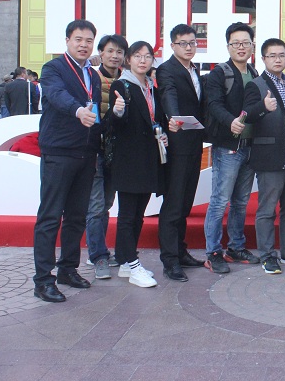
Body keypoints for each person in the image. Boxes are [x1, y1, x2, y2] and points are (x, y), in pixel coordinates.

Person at [32, 20, 102, 303]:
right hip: (59, 152)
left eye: (88, 40)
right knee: (50, 217)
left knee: (76, 216)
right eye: (78, 39)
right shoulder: (53, 69)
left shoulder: (93, 75)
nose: (84, 45)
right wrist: (77, 111)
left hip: (86, 153)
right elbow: (56, 95)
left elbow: (97, 112)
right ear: (67, 41)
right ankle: (42, 280)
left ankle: (68, 269)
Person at [202, 22, 261, 274]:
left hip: (249, 147)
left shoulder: (255, 73)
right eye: (236, 43)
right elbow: (213, 104)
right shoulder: (220, 73)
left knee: (240, 202)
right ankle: (213, 252)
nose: (241, 47)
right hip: (228, 148)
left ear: (252, 46)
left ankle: (236, 247)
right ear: (228, 46)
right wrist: (230, 122)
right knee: (219, 201)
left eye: (245, 42)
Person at [107, 41, 167, 288]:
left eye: (147, 56)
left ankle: (125, 261)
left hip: (148, 159)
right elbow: (114, 124)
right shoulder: (122, 86)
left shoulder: (151, 87)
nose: (143, 61)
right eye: (138, 56)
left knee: (138, 215)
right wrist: (118, 111)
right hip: (128, 160)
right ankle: (132, 265)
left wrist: (162, 133)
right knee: (127, 215)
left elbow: (156, 119)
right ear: (129, 59)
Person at [243, 38, 285, 274]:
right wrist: (263, 107)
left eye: (281, 55)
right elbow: (247, 115)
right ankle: (267, 255)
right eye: (272, 56)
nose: (278, 59)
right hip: (270, 158)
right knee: (267, 210)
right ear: (263, 59)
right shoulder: (255, 85)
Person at [157, 24, 206, 282]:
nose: (189, 47)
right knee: (174, 204)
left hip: (194, 145)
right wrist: (173, 116)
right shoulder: (167, 69)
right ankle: (170, 260)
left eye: (192, 43)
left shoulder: (194, 70)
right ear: (172, 45)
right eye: (183, 43)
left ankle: (180, 250)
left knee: (186, 203)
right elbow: (169, 94)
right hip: (177, 146)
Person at [86, 34, 128, 279]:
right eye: (110, 51)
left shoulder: (126, 80)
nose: (115, 56)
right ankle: (98, 256)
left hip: (117, 153)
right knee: (96, 206)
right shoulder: (91, 77)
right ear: (101, 53)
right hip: (95, 149)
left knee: (107, 204)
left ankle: (97, 249)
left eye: (119, 52)